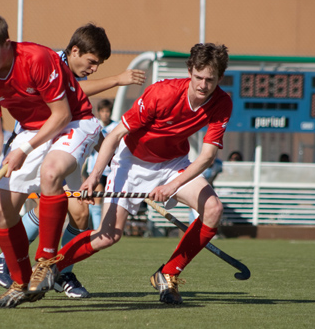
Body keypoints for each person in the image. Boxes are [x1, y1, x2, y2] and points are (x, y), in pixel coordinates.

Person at [29, 43, 232, 306]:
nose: (203, 86)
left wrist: (171, 186)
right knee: (107, 236)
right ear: (190, 70)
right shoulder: (162, 93)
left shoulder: (222, 102)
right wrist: (94, 176)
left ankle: (168, 274)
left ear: (219, 78)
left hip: (173, 164)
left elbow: (206, 156)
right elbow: (114, 135)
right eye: (199, 77)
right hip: (132, 162)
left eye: (210, 80)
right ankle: (49, 268)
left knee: (213, 209)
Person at [0, 24, 146, 299]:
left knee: (81, 214)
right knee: (32, 204)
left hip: (69, 137)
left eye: (99, 64)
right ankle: (9, 259)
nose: (94, 68)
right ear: (74, 51)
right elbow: (81, 91)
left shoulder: (70, 76)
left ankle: (61, 271)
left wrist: (110, 153)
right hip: (40, 138)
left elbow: (82, 110)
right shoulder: (52, 62)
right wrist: (118, 79)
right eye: (92, 61)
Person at [0, 11, 102, 308]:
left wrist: (23, 150)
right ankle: (20, 282)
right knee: (2, 213)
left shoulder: (36, 58)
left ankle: (46, 262)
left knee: (51, 172)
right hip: (33, 130)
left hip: (74, 122)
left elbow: (62, 114)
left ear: (7, 44)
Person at [86, 99, 118, 229]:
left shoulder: (116, 126)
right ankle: (96, 229)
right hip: (96, 169)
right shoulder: (95, 126)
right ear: (99, 113)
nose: (105, 114)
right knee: (96, 200)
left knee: (111, 199)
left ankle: (109, 226)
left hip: (112, 169)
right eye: (103, 111)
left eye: (107, 111)